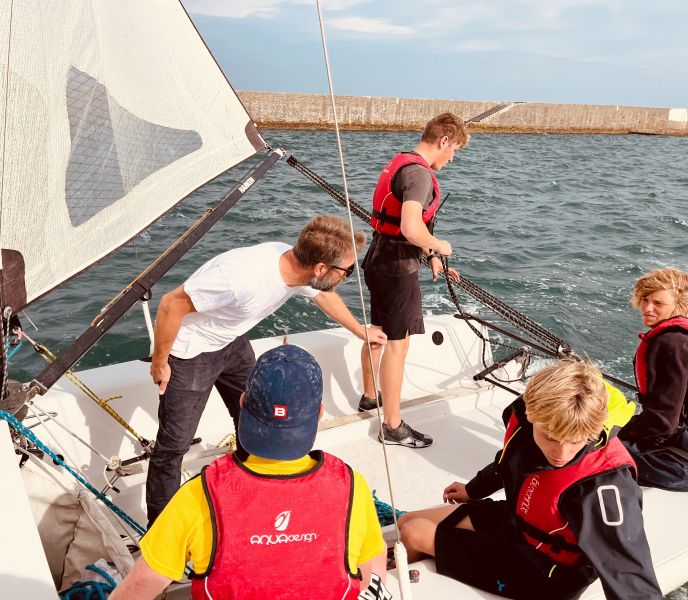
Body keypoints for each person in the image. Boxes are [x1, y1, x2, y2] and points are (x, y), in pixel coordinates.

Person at [146, 215, 387, 527]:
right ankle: (160, 532)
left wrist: (359, 330)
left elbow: (323, 294)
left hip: (232, 343)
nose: (348, 277)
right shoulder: (240, 277)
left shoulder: (296, 267)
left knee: (257, 420)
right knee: (173, 446)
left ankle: (250, 498)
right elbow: (170, 304)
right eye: (347, 271)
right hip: (191, 353)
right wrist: (160, 362)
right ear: (320, 269)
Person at [112, 345, 390, 600]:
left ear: (243, 402)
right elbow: (369, 573)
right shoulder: (351, 485)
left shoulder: (199, 494)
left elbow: (140, 586)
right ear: (318, 413)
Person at [397, 360, 662, 600]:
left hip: (544, 573)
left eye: (575, 442)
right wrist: (473, 489)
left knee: (413, 532)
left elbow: (629, 574)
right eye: (550, 438)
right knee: (406, 522)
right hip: (517, 525)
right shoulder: (532, 417)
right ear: (531, 416)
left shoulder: (604, 485)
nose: (561, 454)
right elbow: (511, 460)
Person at [359, 112, 467, 448]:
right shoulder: (419, 175)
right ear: (444, 140)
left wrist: (430, 256)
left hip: (378, 259)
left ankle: (368, 396)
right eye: (455, 150)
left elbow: (400, 229)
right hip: (397, 268)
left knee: (377, 330)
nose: (452, 158)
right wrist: (439, 245)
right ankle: (392, 425)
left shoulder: (401, 162)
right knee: (397, 343)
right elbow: (410, 226)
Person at [620, 267, 688, 491]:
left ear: (680, 305)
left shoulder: (672, 344)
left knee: (583, 449)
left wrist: (617, 432)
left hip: (682, 465)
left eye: (658, 303)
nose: (647, 308)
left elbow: (662, 423)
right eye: (644, 299)